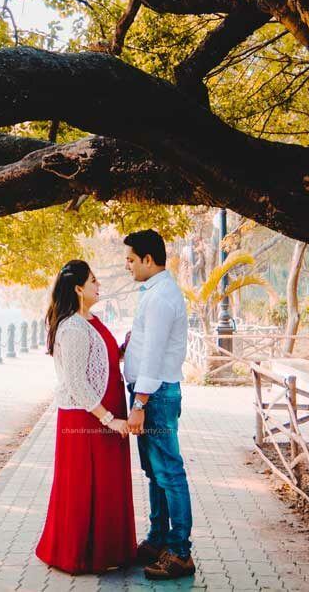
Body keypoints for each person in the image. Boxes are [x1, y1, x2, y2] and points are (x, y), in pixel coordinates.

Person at [35, 259, 137, 574]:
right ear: (78, 288)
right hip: (87, 419)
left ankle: (108, 551)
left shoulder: (91, 319)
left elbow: (102, 362)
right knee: (84, 487)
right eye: (93, 281)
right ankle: (80, 554)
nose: (99, 285)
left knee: (106, 486)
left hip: (103, 413)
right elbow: (77, 383)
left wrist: (123, 348)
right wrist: (110, 419)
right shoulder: (74, 327)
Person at [121, 229, 196, 580]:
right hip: (150, 392)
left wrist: (139, 403)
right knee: (155, 473)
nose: (128, 266)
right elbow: (147, 344)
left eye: (131, 260)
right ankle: (158, 539)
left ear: (148, 260)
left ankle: (180, 552)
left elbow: (153, 357)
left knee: (169, 472)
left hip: (156, 395)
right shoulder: (154, 293)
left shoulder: (162, 296)